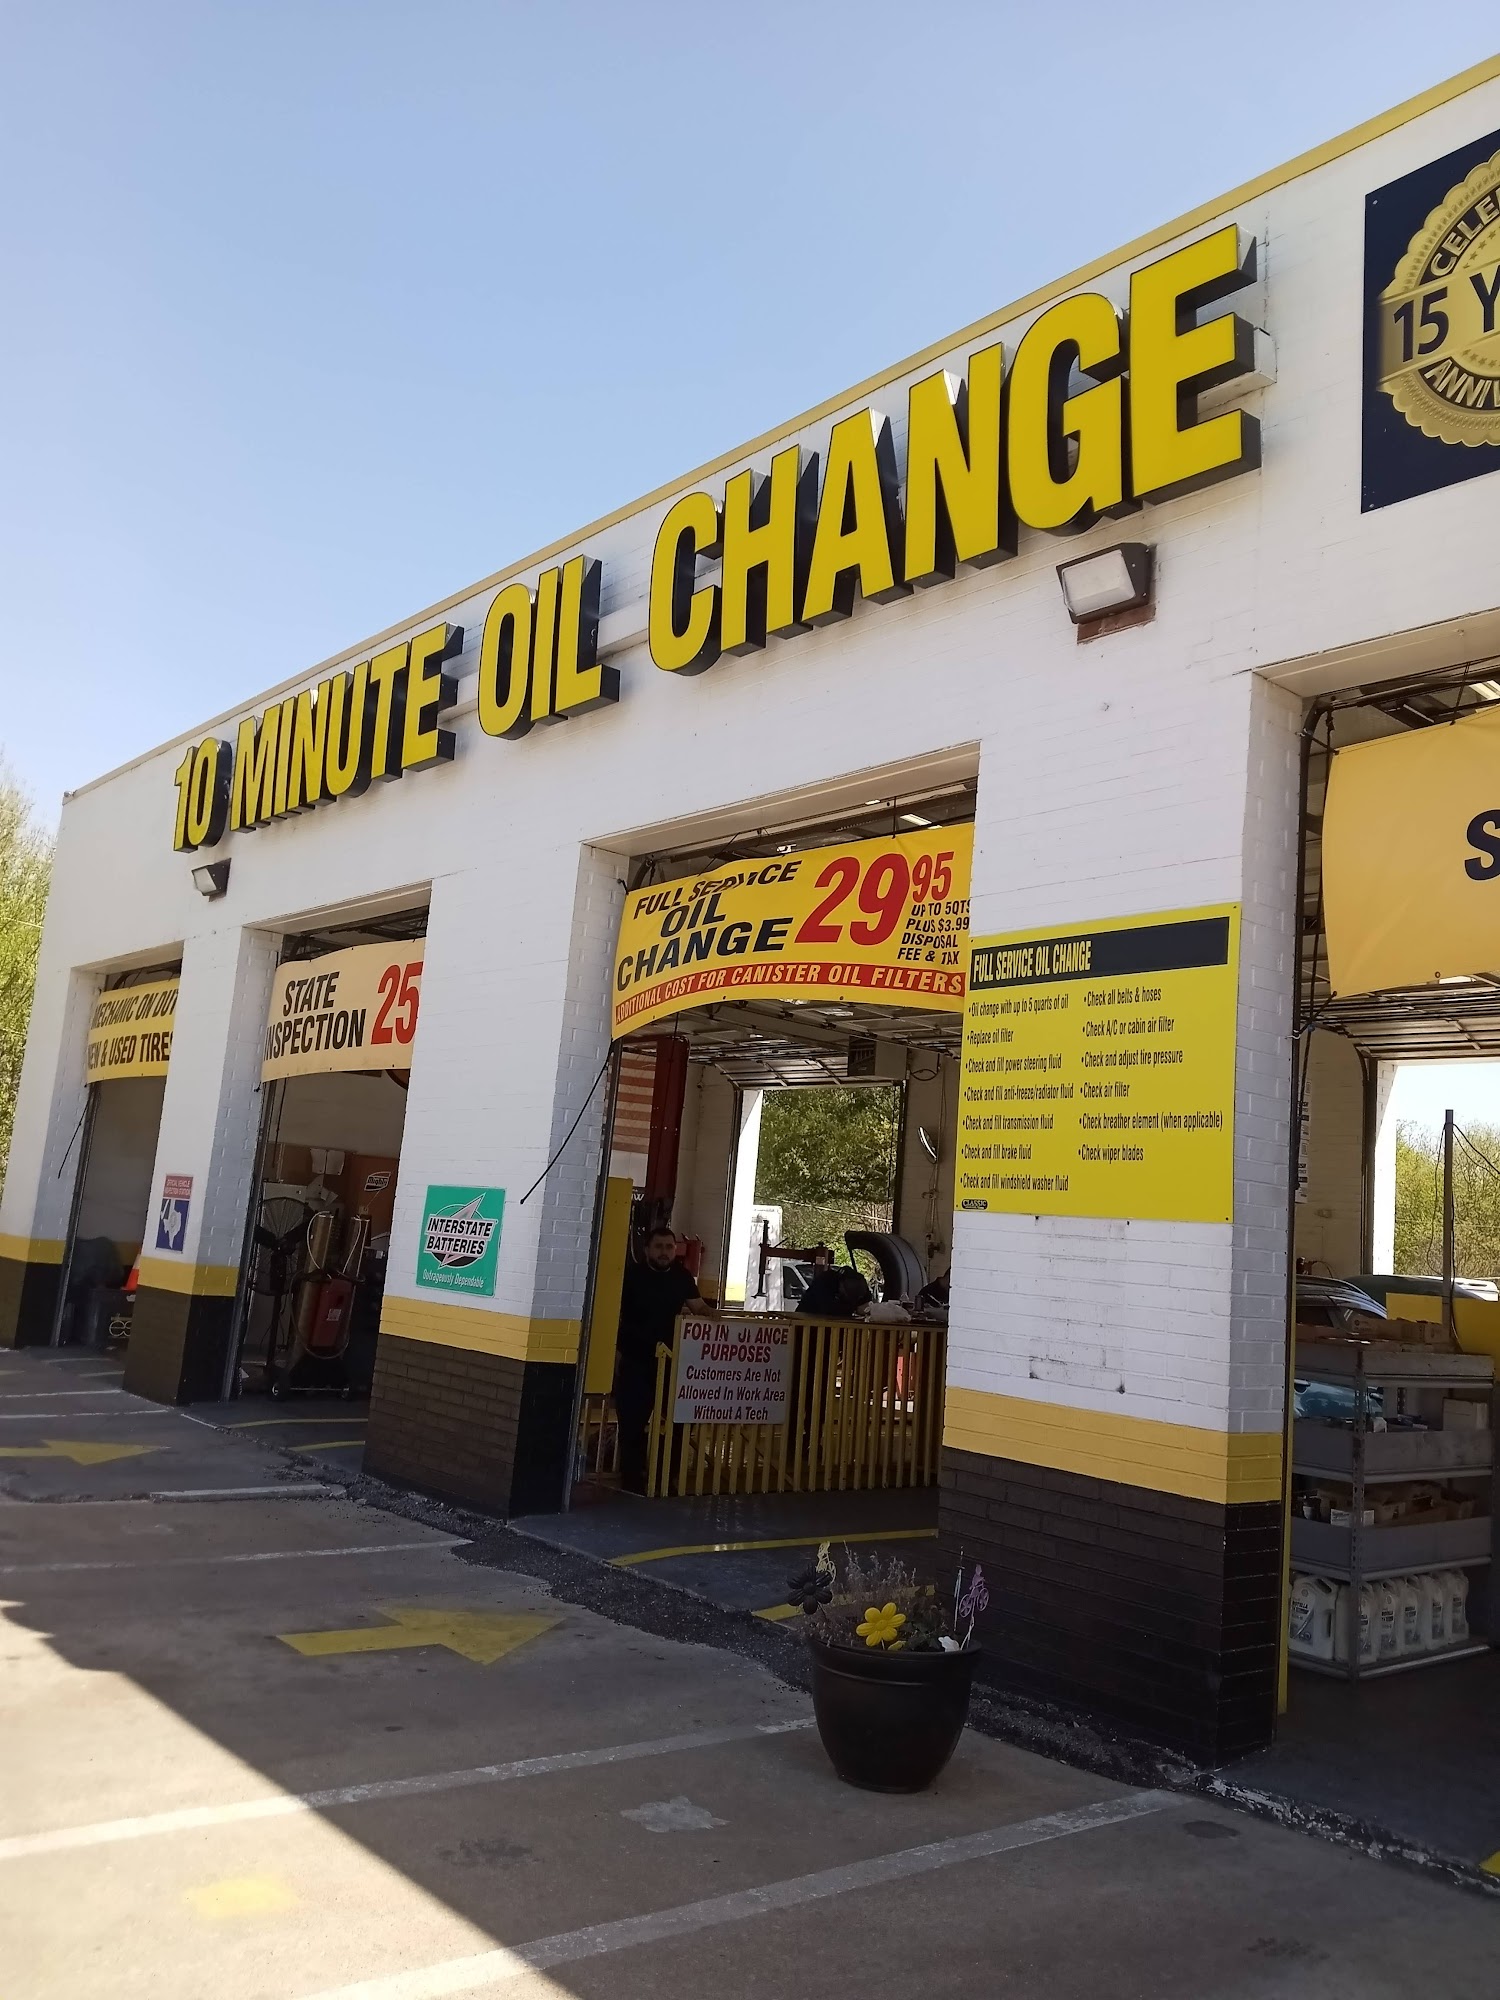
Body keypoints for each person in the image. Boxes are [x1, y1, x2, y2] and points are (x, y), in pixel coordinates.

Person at [613, 1225, 703, 1493]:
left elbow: (699, 1308)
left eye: (669, 1247)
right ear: (647, 1250)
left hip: (671, 1362)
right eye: (659, 1247)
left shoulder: (682, 1277)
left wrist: (726, 1323)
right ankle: (632, 1481)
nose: (664, 1252)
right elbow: (614, 1314)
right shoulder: (631, 1276)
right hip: (635, 1360)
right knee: (632, 1424)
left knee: (679, 1421)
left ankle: (666, 1477)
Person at [794, 1263, 871, 1318]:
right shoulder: (825, 1281)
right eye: (845, 1293)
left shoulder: (860, 1283)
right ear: (841, 1282)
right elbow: (828, 1308)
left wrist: (868, 1308)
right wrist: (854, 1309)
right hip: (807, 1322)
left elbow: (867, 1304)